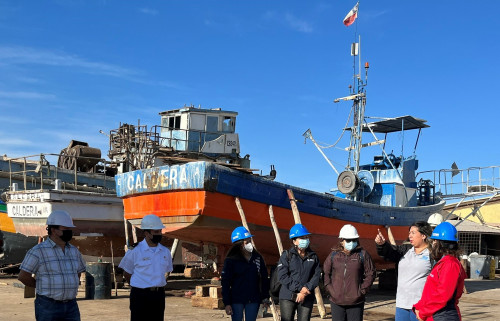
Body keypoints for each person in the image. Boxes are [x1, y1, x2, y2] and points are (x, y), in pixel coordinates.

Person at [18, 210, 86, 321]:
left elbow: (78, 272)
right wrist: (40, 285)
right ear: (54, 230)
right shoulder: (38, 251)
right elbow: (23, 276)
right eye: (66, 229)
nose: (70, 232)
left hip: (71, 305)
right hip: (48, 306)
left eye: (70, 229)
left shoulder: (74, 251)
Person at [118, 214, 173, 321]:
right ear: (146, 233)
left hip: (158, 295)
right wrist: (138, 286)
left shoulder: (165, 251)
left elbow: (167, 271)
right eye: (156, 232)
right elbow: (127, 273)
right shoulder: (135, 251)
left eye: (160, 231)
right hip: (140, 295)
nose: (159, 234)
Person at [375, 221, 433, 321]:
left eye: (413, 233)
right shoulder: (406, 250)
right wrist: (382, 245)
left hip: (420, 306)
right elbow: (391, 252)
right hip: (402, 304)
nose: (410, 235)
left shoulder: (432, 255)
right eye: (409, 233)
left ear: (423, 235)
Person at [413, 222, 466, 321]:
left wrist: (423, 312)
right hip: (435, 314)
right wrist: (419, 306)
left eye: (434, 241)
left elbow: (442, 296)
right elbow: (431, 292)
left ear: (440, 243)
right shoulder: (443, 263)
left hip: (444, 316)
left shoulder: (450, 264)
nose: (432, 244)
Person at [324, 224, 376, 321]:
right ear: (342, 241)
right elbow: (326, 272)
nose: (351, 242)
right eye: (348, 240)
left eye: (354, 240)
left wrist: (361, 291)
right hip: (336, 302)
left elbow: (371, 274)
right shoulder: (334, 255)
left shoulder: (363, 255)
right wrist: (331, 290)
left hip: (356, 303)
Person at [221, 226, 270, 321]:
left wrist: (265, 297)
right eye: (247, 242)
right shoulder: (231, 260)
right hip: (236, 300)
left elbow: (264, 278)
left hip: (253, 299)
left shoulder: (257, 258)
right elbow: (225, 282)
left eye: (250, 241)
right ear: (239, 245)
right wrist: (227, 303)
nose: (250, 244)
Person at [277, 224, 321, 321]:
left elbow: (316, 275)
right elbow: (283, 276)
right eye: (302, 238)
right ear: (294, 241)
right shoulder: (287, 255)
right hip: (288, 296)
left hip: (307, 296)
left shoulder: (313, 256)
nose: (305, 240)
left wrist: (306, 290)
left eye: (306, 237)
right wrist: (300, 288)